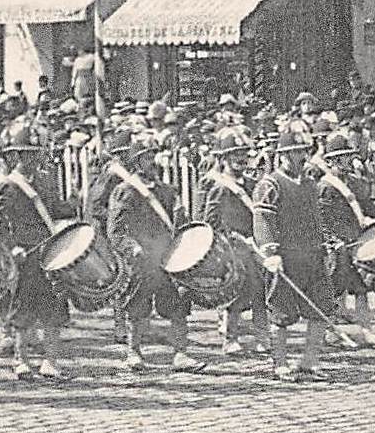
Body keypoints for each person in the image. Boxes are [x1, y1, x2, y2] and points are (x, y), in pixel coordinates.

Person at [108, 132, 200, 372]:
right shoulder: (125, 191)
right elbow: (116, 230)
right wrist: (132, 248)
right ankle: (133, 352)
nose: (153, 162)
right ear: (137, 162)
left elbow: (180, 223)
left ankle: (181, 353)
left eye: (153, 156)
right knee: (138, 307)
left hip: (166, 257)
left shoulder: (167, 191)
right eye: (147, 158)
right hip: (141, 260)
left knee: (178, 304)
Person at [0, 133, 73, 381]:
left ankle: (50, 361)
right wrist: (11, 247)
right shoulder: (8, 185)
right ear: (17, 157)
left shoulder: (45, 181)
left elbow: (54, 209)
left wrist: (70, 206)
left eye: (35, 154)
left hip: (49, 251)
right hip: (25, 255)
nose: (32, 159)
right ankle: (21, 360)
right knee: (23, 307)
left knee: (54, 308)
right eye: (27, 155)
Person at [252, 124, 336, 380]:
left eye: (303, 151)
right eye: (293, 152)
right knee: (281, 312)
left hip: (312, 255)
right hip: (285, 258)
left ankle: (309, 362)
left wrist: (326, 245)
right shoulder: (270, 185)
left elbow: (317, 219)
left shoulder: (311, 184)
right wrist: (270, 252)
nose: (300, 157)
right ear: (282, 155)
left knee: (321, 308)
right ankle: (280, 363)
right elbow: (263, 221)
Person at [198, 126, 269, 357]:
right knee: (235, 295)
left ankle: (262, 337)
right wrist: (230, 239)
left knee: (261, 292)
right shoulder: (218, 187)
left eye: (243, 153)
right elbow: (210, 221)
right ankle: (230, 338)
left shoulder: (250, 185)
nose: (240, 158)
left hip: (254, 246)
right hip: (232, 248)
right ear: (223, 158)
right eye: (233, 154)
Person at [315, 131, 375, 347]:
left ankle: (366, 331)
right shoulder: (325, 187)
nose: (349, 160)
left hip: (357, 243)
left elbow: (368, 208)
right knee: (334, 291)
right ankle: (330, 331)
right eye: (345, 157)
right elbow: (322, 220)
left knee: (362, 289)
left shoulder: (356, 182)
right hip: (337, 247)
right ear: (333, 161)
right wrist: (331, 243)